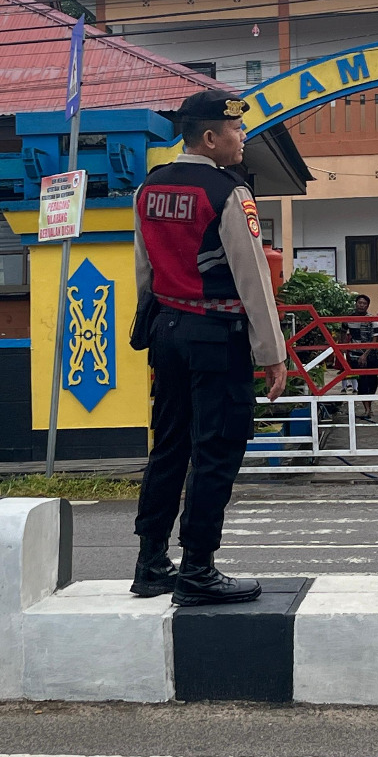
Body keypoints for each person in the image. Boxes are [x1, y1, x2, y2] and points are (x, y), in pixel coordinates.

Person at [131, 90, 287, 605]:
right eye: (235, 130)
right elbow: (253, 276)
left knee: (170, 446)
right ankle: (198, 567)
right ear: (209, 138)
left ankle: (152, 561)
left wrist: (148, 323)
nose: (242, 138)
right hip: (216, 336)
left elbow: (145, 270)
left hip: (167, 333)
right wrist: (272, 351)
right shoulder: (228, 192)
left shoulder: (148, 189)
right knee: (216, 451)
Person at [344, 293, 378, 421]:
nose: (361, 305)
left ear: (367, 306)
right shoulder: (349, 318)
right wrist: (342, 349)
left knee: (373, 381)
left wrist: (365, 354)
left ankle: (369, 406)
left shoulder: (372, 320)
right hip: (355, 355)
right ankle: (367, 409)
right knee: (362, 382)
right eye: (359, 302)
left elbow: (376, 338)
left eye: (364, 303)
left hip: (371, 355)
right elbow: (342, 333)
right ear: (356, 303)